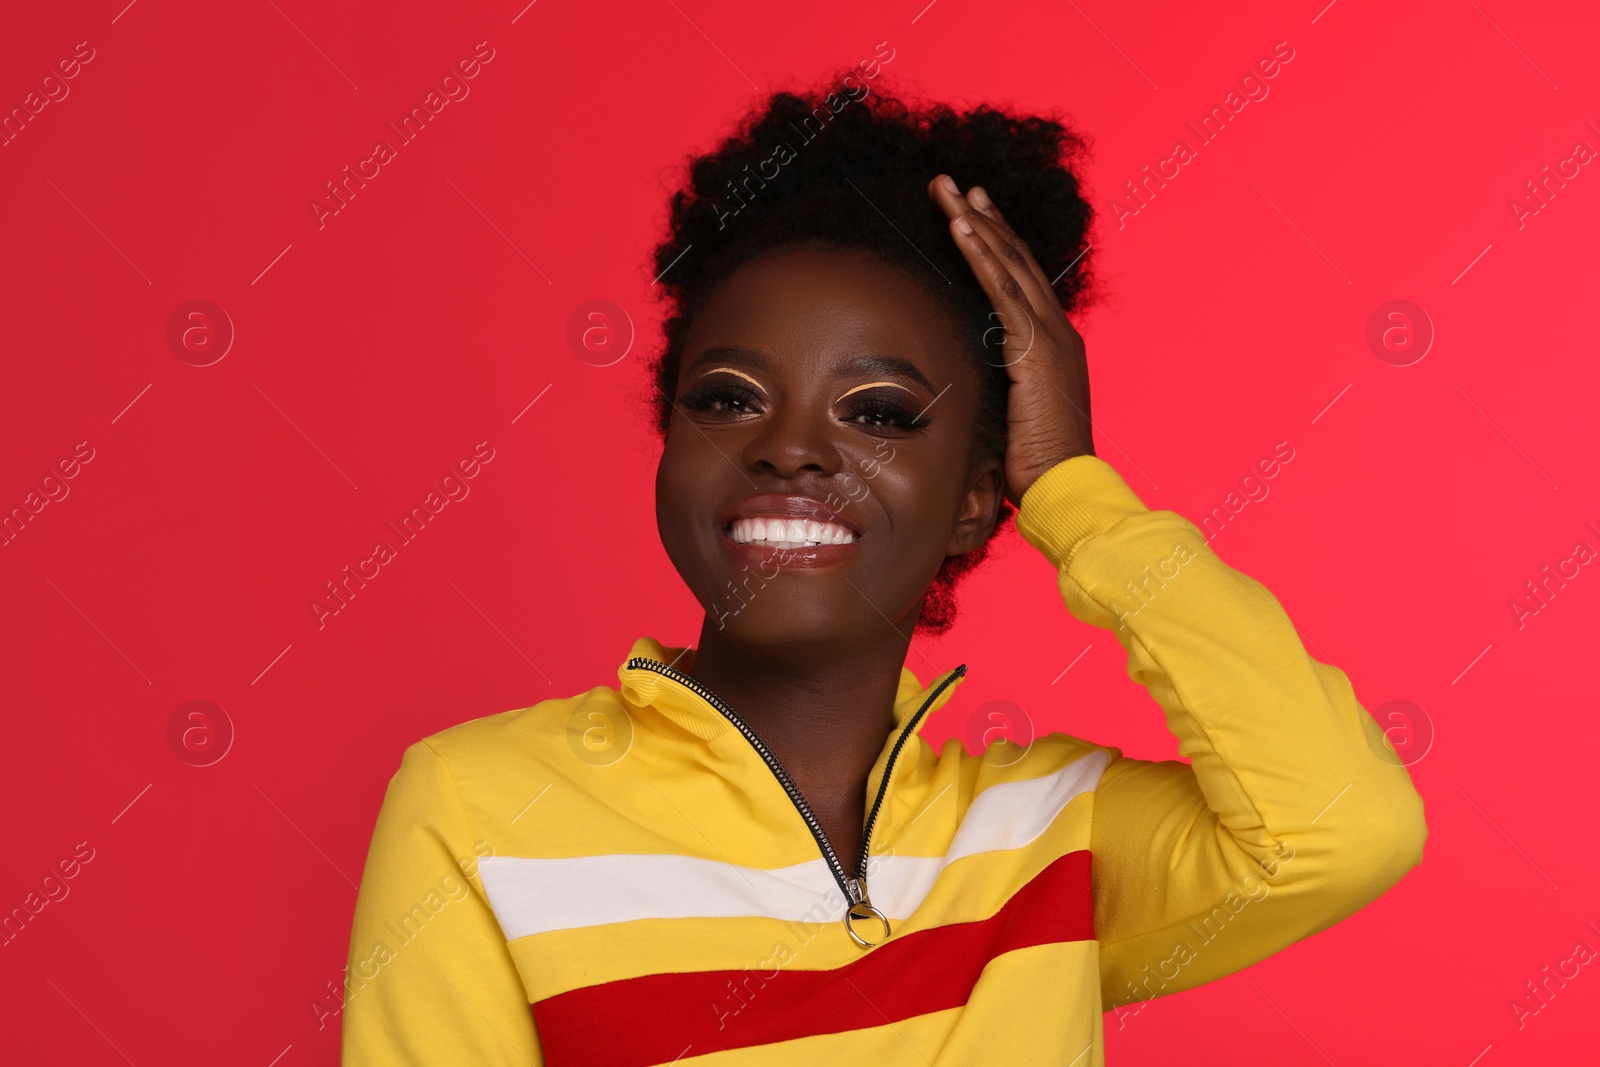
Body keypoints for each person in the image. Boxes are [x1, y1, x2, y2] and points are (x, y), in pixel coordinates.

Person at [340, 68, 1427, 1065]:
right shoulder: (476, 808)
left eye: (879, 412)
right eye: (727, 397)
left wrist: (1074, 493)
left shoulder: (1052, 836)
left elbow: (1337, 824)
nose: (789, 445)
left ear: (975, 498)